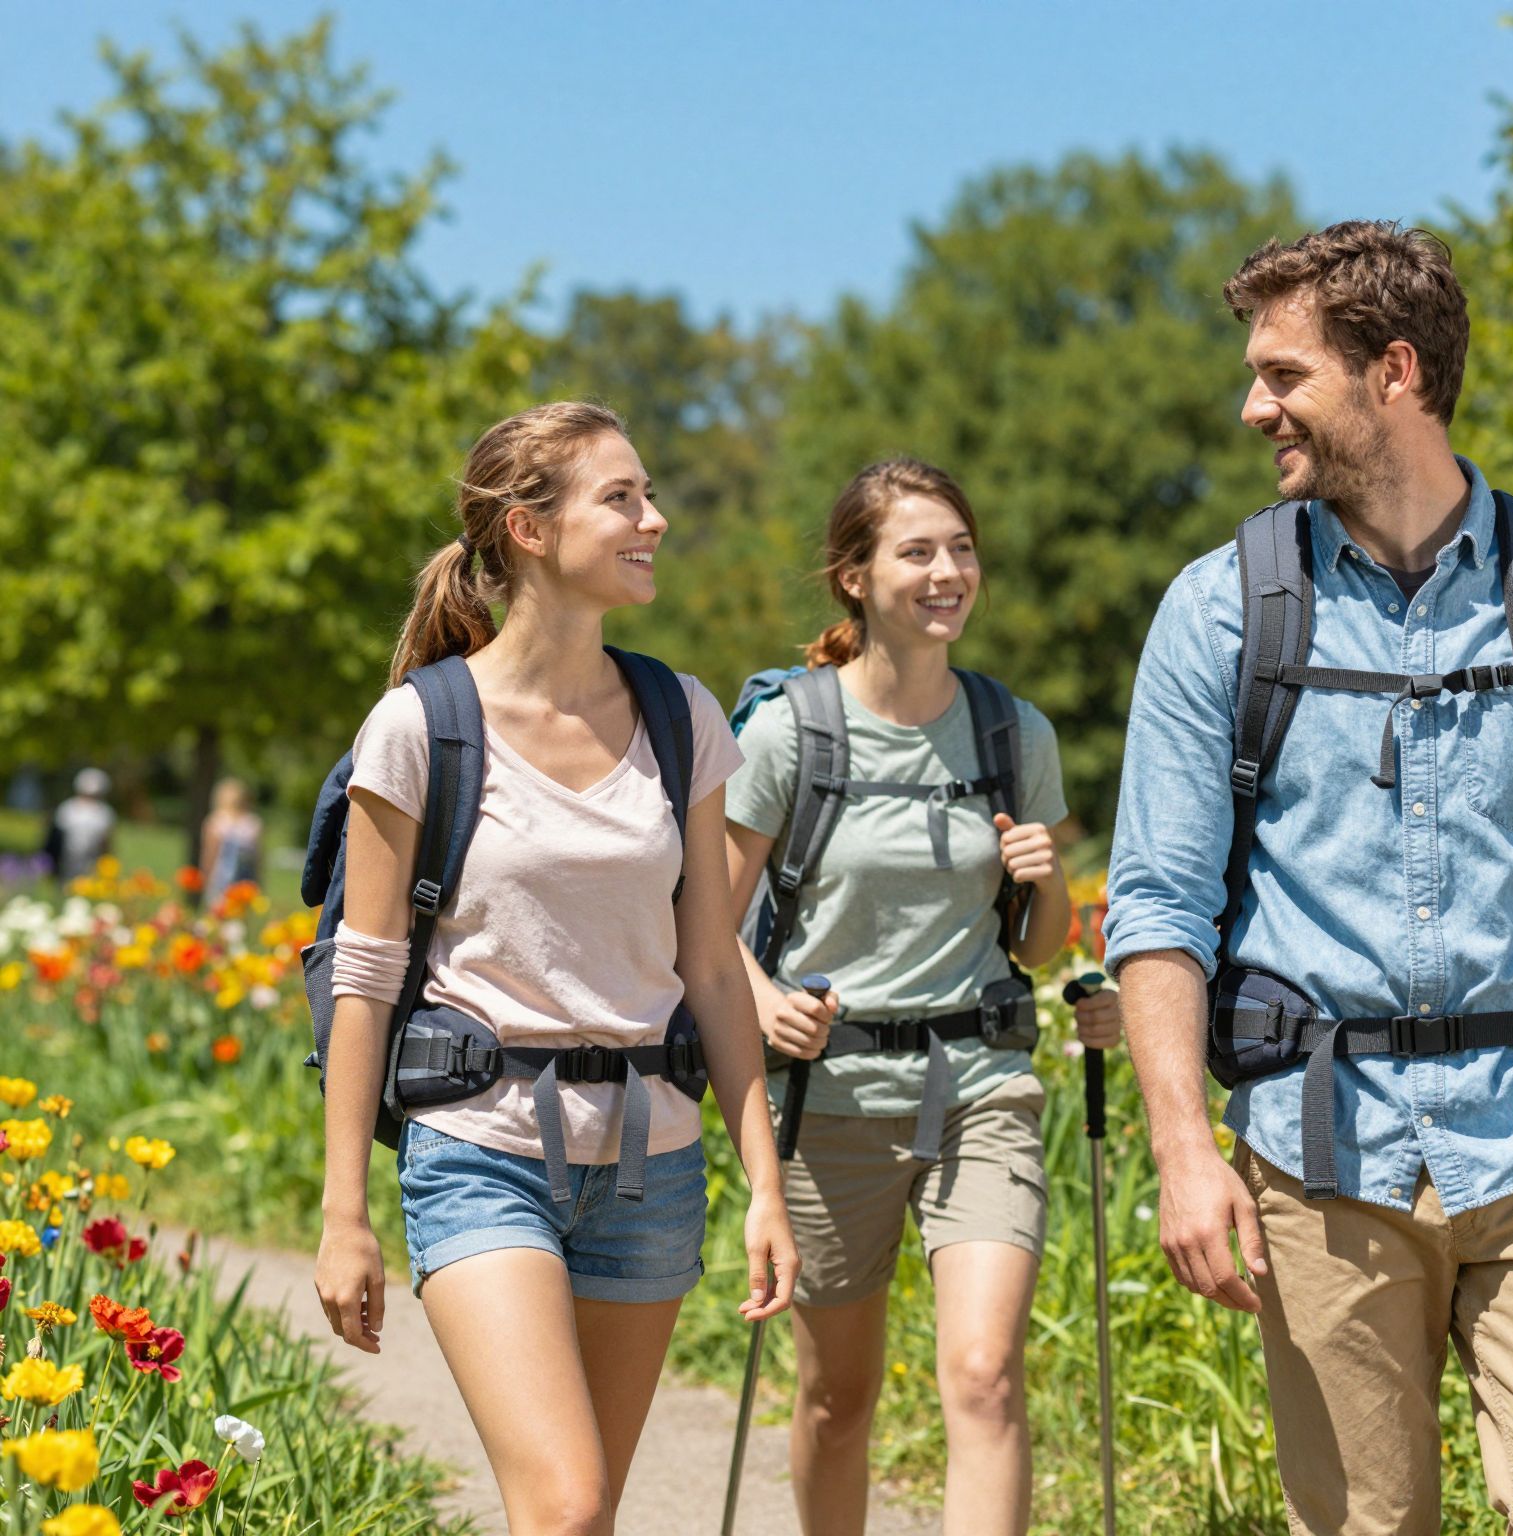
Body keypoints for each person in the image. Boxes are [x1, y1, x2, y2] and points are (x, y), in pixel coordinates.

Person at [1105, 222, 1513, 1536]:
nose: (1253, 406)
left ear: (1393, 370)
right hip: (1317, 1155)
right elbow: (1160, 912)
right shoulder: (1224, 610)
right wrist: (1185, 1151)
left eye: (1285, 374)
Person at [312, 401, 797, 1533]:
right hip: (479, 1150)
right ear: (528, 530)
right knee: (567, 1504)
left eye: (648, 494)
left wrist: (762, 1181)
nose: (655, 520)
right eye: (621, 498)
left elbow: (713, 971)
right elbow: (365, 977)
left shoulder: (680, 716)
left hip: (652, 1165)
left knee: (580, 1516)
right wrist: (343, 1212)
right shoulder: (420, 726)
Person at [723, 458, 1122, 1536]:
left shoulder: (1012, 735)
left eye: (960, 548)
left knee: (985, 1374)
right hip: (830, 1099)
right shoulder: (787, 735)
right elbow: (702, 928)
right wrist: (760, 1002)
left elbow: (1037, 948)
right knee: (833, 1397)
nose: (948, 572)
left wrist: (1043, 881)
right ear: (853, 577)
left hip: (980, 1089)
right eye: (917, 551)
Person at [199, 777, 264, 905]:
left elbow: (209, 855)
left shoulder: (216, 821)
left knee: (217, 916)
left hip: (220, 880)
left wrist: (205, 878)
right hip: (246, 882)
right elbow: (258, 858)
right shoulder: (253, 824)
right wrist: (260, 881)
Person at [45, 767, 116, 883]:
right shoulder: (67, 808)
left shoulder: (104, 813)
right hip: (65, 860)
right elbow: (54, 840)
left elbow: (106, 843)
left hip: (90, 863)